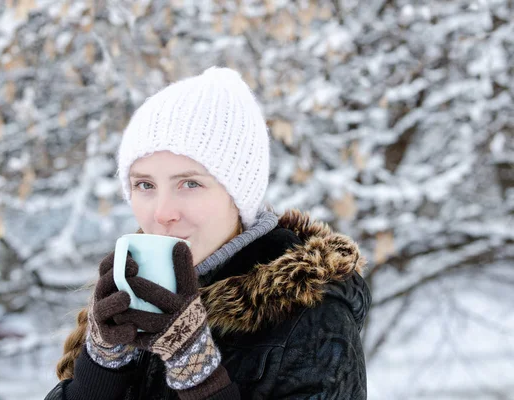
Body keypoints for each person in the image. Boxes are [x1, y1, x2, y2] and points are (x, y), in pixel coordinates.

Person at [45, 67, 371, 400]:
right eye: (145, 185)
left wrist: (199, 376)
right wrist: (100, 372)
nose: (162, 213)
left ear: (238, 194)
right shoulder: (127, 298)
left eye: (190, 184)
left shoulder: (312, 317)